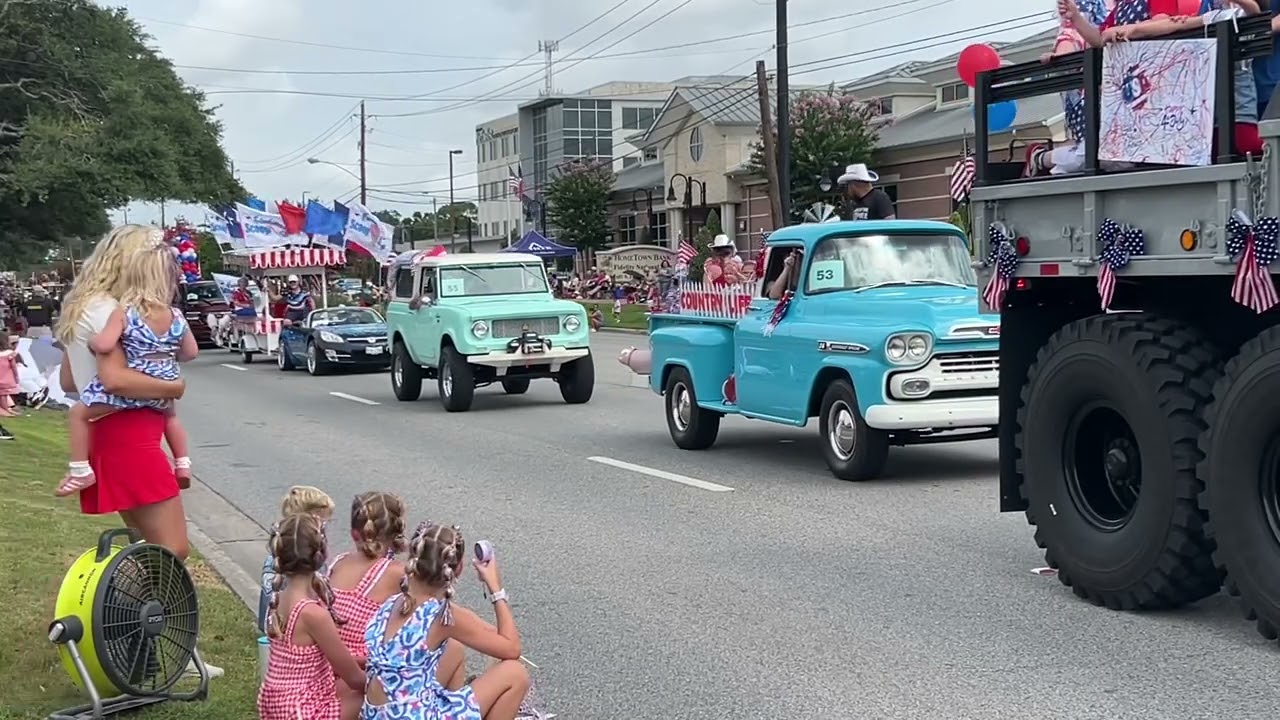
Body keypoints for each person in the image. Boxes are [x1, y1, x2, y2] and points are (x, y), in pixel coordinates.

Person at [55, 224, 222, 677]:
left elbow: (72, 382)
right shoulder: (113, 309)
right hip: (131, 433)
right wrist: (173, 385)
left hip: (108, 434)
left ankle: (140, 643)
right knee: (171, 550)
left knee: (151, 549)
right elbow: (115, 379)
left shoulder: (82, 308)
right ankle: (133, 632)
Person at [57, 242, 197, 497]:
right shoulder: (176, 315)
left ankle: (80, 470)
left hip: (132, 390)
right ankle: (183, 463)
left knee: (79, 414)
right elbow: (190, 352)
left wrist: (91, 341)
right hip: (165, 382)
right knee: (171, 418)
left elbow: (105, 344)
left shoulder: (124, 313)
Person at [362, 523, 529, 720]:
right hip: (412, 715)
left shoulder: (394, 601)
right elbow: (512, 649)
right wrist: (495, 587)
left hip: (379, 713)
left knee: (454, 648)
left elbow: (481, 631)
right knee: (516, 673)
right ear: (456, 569)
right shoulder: (443, 617)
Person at [1108, 0, 1263, 156]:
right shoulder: (1209, 12)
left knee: (1247, 144)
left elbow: (1253, 11)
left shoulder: (1236, 14)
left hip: (1236, 108)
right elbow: (1179, 25)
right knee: (1216, 152)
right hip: (1205, 110)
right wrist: (1129, 30)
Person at [259, 514, 367, 720]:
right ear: (322, 554)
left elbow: (322, 661)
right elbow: (354, 679)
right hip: (301, 710)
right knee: (375, 695)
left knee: (347, 686)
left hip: (278, 703)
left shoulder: (279, 598)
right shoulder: (313, 613)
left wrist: (368, 662)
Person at [329, 492, 423, 718]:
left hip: (326, 669)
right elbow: (426, 615)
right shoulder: (395, 573)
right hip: (359, 674)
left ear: (354, 533)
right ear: (396, 533)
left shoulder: (337, 563)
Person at [1023, 0, 1115, 177]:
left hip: (1129, 87)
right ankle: (1043, 160)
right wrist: (1061, 56)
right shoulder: (1089, 2)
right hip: (1094, 92)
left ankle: (1048, 161)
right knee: (1096, 155)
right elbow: (1071, 33)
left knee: (1113, 156)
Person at [260, 485, 337, 633]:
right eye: (324, 522)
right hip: (299, 631)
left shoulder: (281, 552)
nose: (325, 528)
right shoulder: (299, 561)